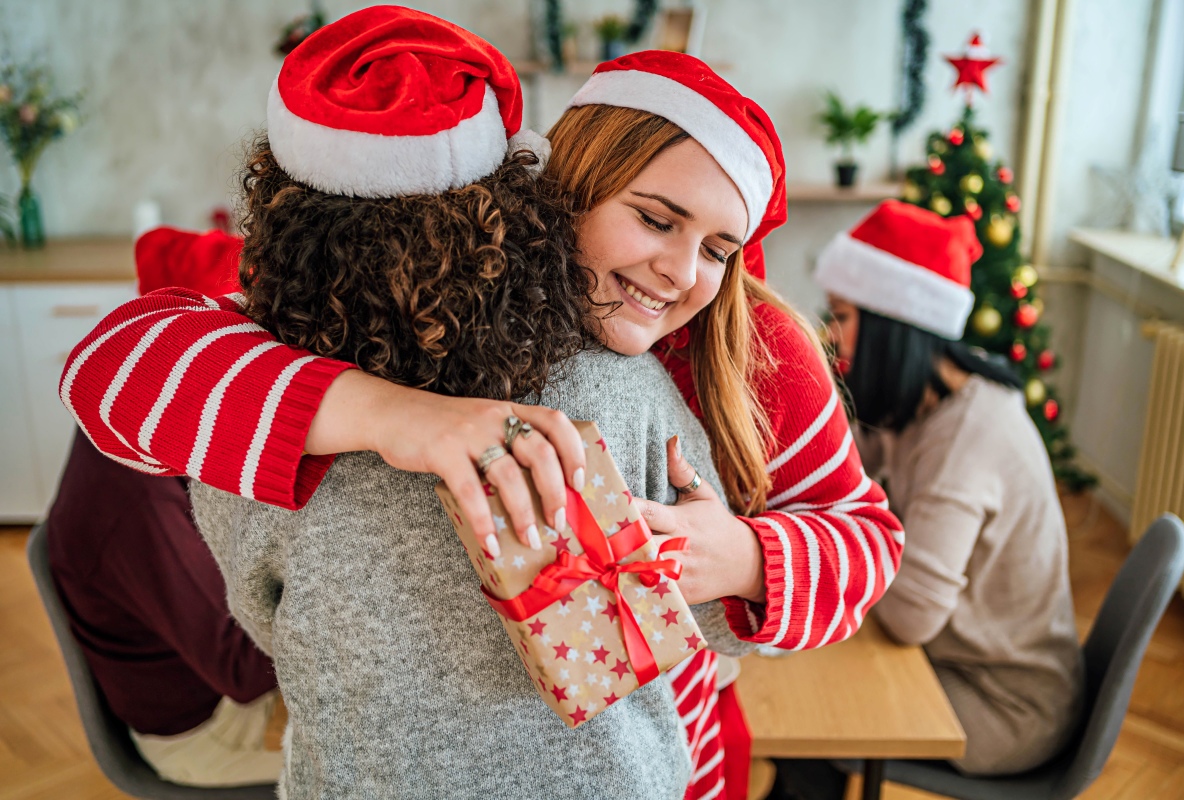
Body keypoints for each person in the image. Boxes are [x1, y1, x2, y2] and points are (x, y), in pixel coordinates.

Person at [60, 44, 904, 800]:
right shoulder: (426, 315)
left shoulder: (754, 347)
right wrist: (399, 416)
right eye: (654, 218)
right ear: (562, 192)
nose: (681, 274)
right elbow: (117, 366)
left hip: (675, 748)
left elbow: (869, 543)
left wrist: (744, 558)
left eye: (720, 249)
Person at [786, 200, 1083, 791]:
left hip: (1001, 705)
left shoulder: (967, 438)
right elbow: (833, 487)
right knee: (804, 665)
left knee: (809, 695)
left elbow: (908, 617)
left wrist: (844, 539)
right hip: (954, 661)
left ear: (892, 326)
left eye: (842, 316)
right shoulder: (917, 406)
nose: (831, 335)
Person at [45, 253, 279, 788]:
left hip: (213, 673)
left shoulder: (140, 420)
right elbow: (242, 671)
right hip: (206, 729)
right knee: (390, 769)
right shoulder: (135, 503)